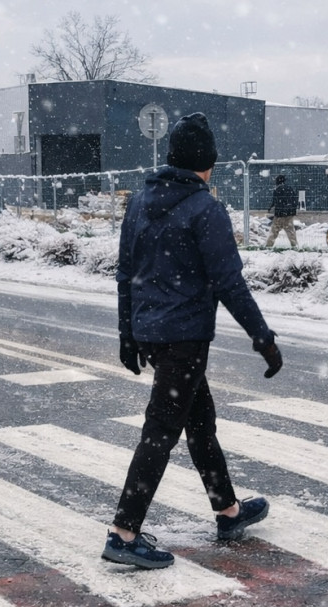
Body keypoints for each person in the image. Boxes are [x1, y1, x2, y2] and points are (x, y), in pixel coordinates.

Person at [106, 112, 283, 570]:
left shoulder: (142, 200)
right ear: (208, 164)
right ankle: (123, 534)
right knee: (160, 432)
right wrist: (261, 336)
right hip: (185, 337)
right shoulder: (206, 209)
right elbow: (229, 282)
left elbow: (126, 272)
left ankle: (227, 511)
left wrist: (128, 333)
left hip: (153, 334)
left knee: (199, 422)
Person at [265, 174, 299, 248]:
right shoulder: (290, 189)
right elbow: (295, 200)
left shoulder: (277, 190)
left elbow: (275, 201)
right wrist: (292, 210)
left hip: (280, 214)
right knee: (290, 231)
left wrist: (270, 208)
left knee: (274, 231)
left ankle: (268, 245)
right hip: (289, 214)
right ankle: (294, 245)